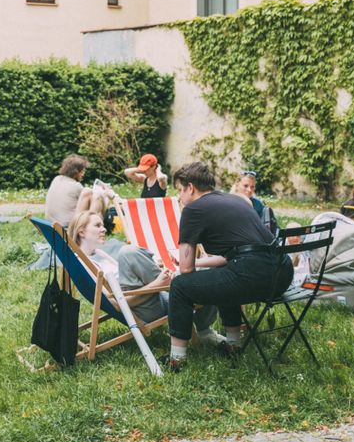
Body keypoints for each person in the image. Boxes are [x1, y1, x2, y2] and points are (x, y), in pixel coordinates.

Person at [166, 162, 293, 371]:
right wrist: (197, 261)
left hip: (251, 276)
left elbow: (186, 271)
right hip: (281, 274)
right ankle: (233, 346)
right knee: (226, 275)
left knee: (180, 286)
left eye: (180, 190)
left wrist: (186, 264)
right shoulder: (237, 200)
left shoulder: (193, 209)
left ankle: (176, 360)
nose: (180, 197)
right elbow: (233, 256)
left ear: (190, 187)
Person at [68, 210, 223, 344]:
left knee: (208, 273)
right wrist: (156, 285)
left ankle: (204, 330)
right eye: (97, 225)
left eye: (102, 225)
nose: (103, 229)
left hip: (158, 294)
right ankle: (179, 284)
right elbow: (116, 304)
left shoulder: (98, 254)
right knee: (127, 252)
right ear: (81, 231)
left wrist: (155, 277)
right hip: (144, 308)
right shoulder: (83, 264)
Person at [44, 155, 112, 227]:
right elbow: (93, 206)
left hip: (50, 223)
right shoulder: (76, 186)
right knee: (96, 197)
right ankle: (94, 226)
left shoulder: (56, 179)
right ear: (75, 172)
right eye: (82, 171)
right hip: (67, 226)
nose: (83, 174)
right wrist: (105, 197)